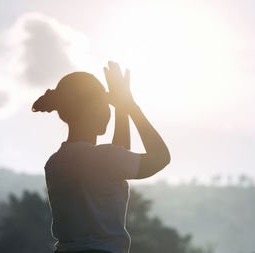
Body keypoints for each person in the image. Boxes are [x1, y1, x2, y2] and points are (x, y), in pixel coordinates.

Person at [32, 61, 171, 253]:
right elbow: (161, 157)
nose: (109, 111)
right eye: (106, 105)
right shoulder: (106, 158)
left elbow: (116, 160)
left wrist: (121, 108)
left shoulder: (54, 164)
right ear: (94, 108)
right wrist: (131, 106)